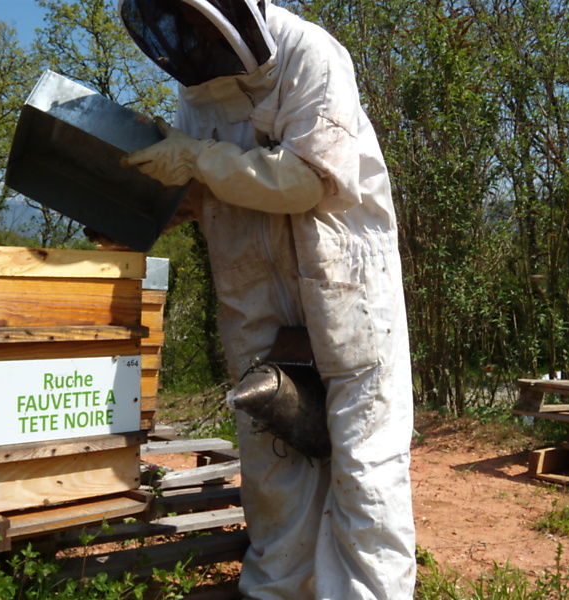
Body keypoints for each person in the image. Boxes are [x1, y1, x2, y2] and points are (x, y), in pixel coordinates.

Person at [118, 1, 416, 598]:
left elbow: (310, 178)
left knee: (363, 463)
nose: (192, 40)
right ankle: (278, 591)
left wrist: (198, 159)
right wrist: (153, 200)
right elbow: (211, 187)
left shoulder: (313, 54)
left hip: (343, 292)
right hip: (254, 294)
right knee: (271, 461)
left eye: (200, 26)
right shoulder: (198, 90)